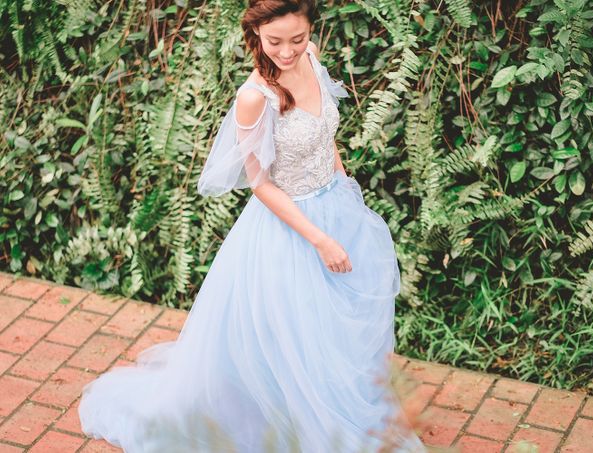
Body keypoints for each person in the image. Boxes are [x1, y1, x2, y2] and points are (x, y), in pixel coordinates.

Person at [78, 1, 428, 452]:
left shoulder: (312, 57)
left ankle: (333, 405)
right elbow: (260, 184)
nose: (287, 51)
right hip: (290, 228)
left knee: (332, 327)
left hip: (335, 205)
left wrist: (343, 184)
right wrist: (319, 239)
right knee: (295, 331)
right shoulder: (255, 97)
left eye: (297, 40)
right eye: (275, 42)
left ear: (309, 33)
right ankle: (296, 423)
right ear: (257, 37)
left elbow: (325, 134)